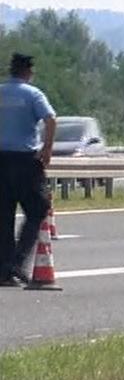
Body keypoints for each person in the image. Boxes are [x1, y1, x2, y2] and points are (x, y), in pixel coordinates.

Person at [1, 53, 57, 286]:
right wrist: (47, 149)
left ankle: (3, 270)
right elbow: (51, 119)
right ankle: (18, 261)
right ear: (28, 72)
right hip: (25, 161)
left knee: (3, 216)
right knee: (38, 209)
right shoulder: (33, 94)